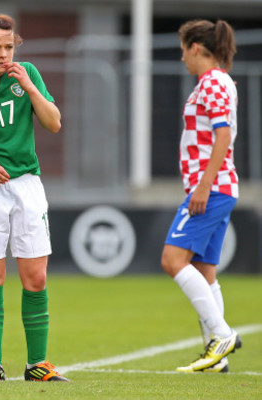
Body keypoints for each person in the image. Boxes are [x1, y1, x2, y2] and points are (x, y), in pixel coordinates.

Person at [0, 14, 68, 382]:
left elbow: (53, 123)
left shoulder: (28, 73)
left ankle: (38, 364)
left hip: (26, 185)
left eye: (9, 46)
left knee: (35, 278)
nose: (4, 55)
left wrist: (31, 88)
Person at [161, 19, 241, 373]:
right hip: (218, 188)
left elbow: (222, 137)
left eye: (183, 50)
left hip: (211, 189)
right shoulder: (217, 82)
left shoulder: (212, 82)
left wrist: (204, 187)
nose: (182, 59)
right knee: (204, 271)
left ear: (195, 47)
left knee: (172, 260)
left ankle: (221, 334)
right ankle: (218, 356)